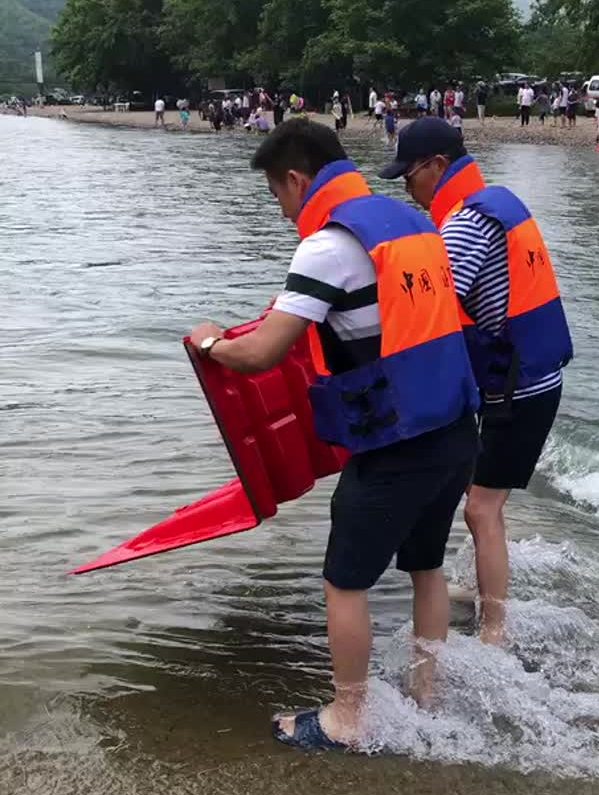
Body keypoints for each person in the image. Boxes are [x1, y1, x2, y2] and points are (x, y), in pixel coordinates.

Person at [188, 119, 479, 747]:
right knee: (426, 565)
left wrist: (210, 341)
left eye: (277, 195)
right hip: (456, 430)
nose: (282, 209)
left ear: (296, 180)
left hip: (396, 447)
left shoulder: (326, 244)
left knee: (344, 581)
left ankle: (347, 719)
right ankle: (427, 695)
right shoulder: (413, 223)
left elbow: (263, 353)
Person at [380, 118, 572, 643]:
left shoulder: (465, 223)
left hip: (518, 389)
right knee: (483, 500)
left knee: (480, 508)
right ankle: (490, 597)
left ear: (437, 166)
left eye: (408, 177)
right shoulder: (499, 201)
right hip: (531, 377)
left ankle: (495, 631)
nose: (408, 190)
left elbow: (432, 307)